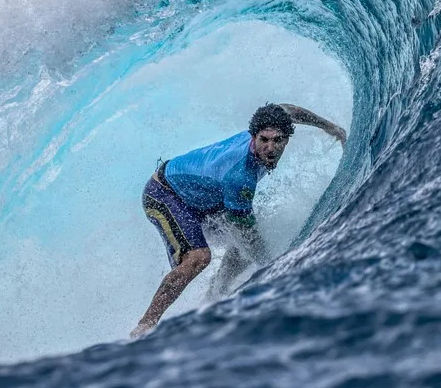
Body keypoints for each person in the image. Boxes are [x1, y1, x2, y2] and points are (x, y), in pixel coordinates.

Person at [131, 103, 347, 338]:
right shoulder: (240, 176)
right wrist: (273, 266)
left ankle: (215, 295)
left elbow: (287, 110)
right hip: (164, 195)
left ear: (287, 138)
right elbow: (248, 234)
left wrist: (329, 127)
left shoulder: (273, 123)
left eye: (278, 140)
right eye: (264, 140)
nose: (270, 148)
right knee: (198, 258)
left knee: (242, 244)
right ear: (253, 137)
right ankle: (145, 326)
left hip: (206, 198)